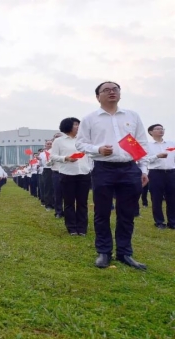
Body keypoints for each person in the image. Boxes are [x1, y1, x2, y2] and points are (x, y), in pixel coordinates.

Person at [76, 81, 154, 270]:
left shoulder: (132, 116)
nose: (112, 92)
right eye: (106, 90)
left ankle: (125, 253)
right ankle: (104, 252)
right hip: (103, 169)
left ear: (120, 94)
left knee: (126, 213)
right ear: (98, 97)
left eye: (115, 89)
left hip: (129, 168)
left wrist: (143, 169)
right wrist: (98, 149)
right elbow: (80, 144)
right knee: (102, 212)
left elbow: (141, 144)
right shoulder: (90, 119)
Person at [50, 117, 92, 236]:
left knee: (82, 202)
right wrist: (66, 158)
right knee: (69, 202)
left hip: (83, 173)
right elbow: (53, 156)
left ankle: (82, 228)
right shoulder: (59, 141)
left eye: (79, 124)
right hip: (67, 173)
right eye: (75, 124)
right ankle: (72, 228)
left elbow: (90, 154)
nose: (78, 126)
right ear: (68, 126)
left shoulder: (84, 140)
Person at [145, 124, 175, 229]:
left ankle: (172, 222)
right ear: (151, 132)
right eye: (157, 129)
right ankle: (159, 221)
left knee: (172, 198)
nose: (161, 130)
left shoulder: (171, 143)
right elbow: (145, 159)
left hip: (171, 173)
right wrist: (157, 156)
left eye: (162, 129)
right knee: (156, 198)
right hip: (156, 173)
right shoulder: (148, 145)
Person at [51, 133, 65, 218]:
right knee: (58, 193)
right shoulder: (50, 151)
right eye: (56, 137)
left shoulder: (66, 148)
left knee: (68, 194)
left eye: (59, 137)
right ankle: (59, 212)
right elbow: (48, 163)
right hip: (56, 172)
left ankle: (68, 212)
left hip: (68, 172)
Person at [39, 140, 55, 211]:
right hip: (47, 170)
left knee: (55, 188)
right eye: (47, 144)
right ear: (45, 145)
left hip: (55, 169)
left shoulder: (55, 151)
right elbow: (41, 164)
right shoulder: (42, 154)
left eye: (50, 144)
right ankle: (48, 205)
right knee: (47, 187)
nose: (49, 145)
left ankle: (54, 203)